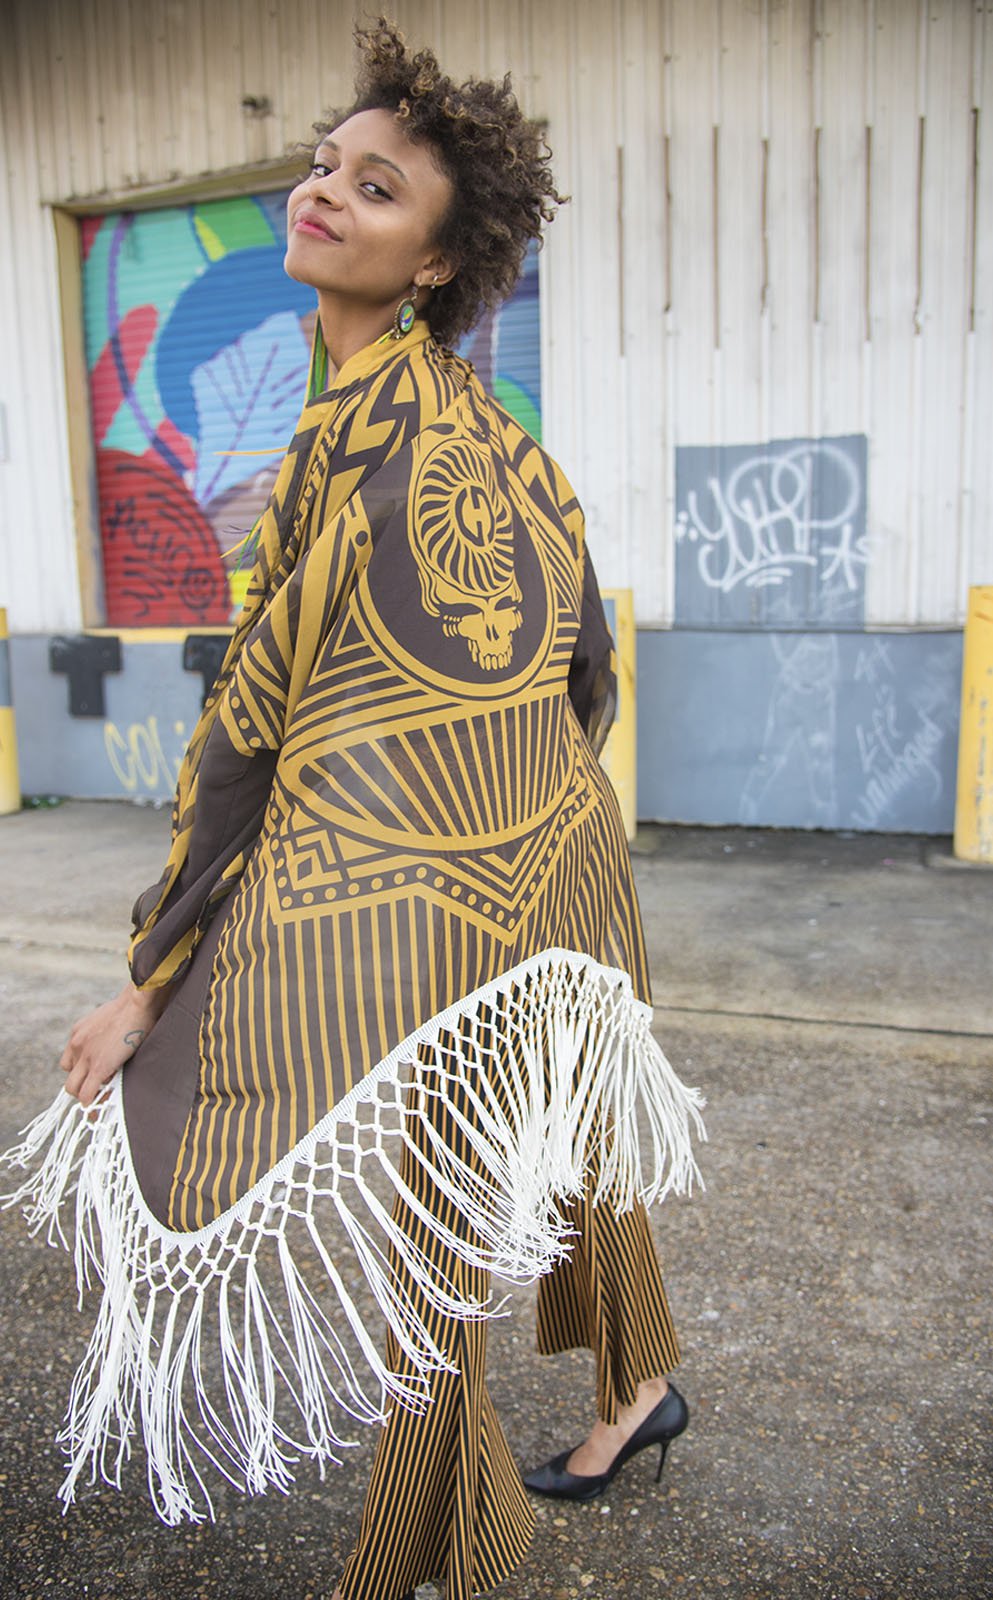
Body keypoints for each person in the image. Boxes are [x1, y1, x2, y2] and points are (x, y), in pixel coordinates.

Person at [4, 20, 704, 1600]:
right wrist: (518, 798)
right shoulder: (499, 433)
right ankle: (637, 1387)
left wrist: (154, 972)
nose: (323, 192)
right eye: (324, 165)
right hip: (558, 857)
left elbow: (246, 724)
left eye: (375, 188)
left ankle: (427, 1556)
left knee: (436, 1214)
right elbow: (587, 669)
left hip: (440, 873)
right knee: (559, 1131)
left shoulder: (352, 439)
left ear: (437, 257)